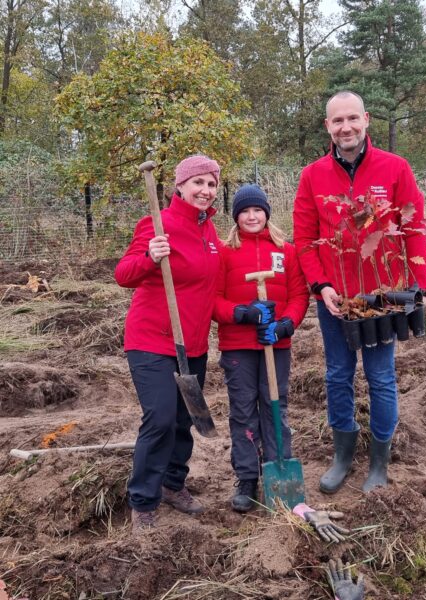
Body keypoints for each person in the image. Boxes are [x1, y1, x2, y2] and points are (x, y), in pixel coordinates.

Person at [293, 90, 426, 494]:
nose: (346, 127)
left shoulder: (395, 168)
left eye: (352, 118)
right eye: (338, 121)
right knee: (337, 375)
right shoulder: (312, 176)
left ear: (366, 120)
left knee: (381, 377)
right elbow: (304, 238)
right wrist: (322, 286)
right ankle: (341, 456)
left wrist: (417, 286)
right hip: (336, 300)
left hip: (382, 299)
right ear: (328, 127)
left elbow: (413, 228)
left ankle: (379, 464)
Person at [115, 155, 221, 532]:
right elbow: (123, 274)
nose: (205, 191)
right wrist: (149, 255)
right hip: (151, 340)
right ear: (180, 186)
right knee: (159, 418)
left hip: (192, 344)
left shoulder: (210, 232)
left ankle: (173, 485)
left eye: (211, 184)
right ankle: (143, 501)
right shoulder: (158, 224)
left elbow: (213, 289)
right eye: (198, 183)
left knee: (182, 421)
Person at [213, 184, 309, 512]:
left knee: (274, 406)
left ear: (267, 213)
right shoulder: (225, 252)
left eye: (257, 210)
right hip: (238, 346)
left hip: (275, 345)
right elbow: (213, 300)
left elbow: (299, 295)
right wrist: (240, 313)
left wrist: (286, 325)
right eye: (244, 211)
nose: (252, 216)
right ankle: (247, 477)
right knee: (242, 411)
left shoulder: (286, 251)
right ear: (236, 216)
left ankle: (278, 466)